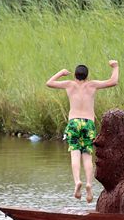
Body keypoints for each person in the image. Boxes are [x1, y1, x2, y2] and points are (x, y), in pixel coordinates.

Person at [46, 60, 119, 203]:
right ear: (87, 76)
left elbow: (49, 83)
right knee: (87, 156)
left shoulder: (69, 84)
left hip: (74, 123)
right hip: (88, 123)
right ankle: (89, 184)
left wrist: (61, 73)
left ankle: (77, 181)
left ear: (74, 75)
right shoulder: (92, 85)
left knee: (75, 154)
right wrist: (115, 67)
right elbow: (113, 81)